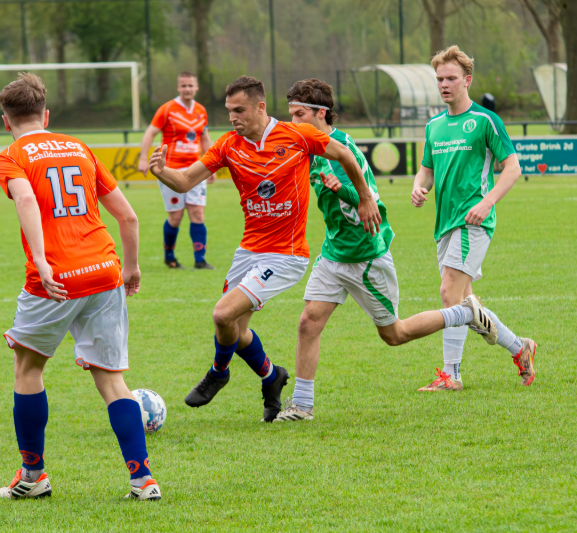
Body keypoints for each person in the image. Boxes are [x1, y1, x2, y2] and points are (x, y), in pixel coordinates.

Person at [274, 79, 509, 422]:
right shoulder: (309, 148)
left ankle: (464, 313)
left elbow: (368, 204)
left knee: (393, 335)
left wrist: (344, 191)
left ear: (321, 113)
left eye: (300, 115)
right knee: (308, 322)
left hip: (364, 255)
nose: (293, 122)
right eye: (290, 115)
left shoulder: (341, 149)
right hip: (334, 252)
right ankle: (302, 407)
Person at [149, 75, 382, 422]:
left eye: (239, 110)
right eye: (229, 111)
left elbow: (344, 153)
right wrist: (161, 171)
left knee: (222, 314)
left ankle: (218, 372)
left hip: (286, 255)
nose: (232, 118)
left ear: (260, 107)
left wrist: (364, 196)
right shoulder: (229, 145)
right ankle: (272, 378)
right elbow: (185, 181)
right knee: (236, 332)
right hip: (249, 250)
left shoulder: (297, 135)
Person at [0, 73, 160, 501]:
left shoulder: (11, 155)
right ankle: (143, 480)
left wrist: (45, 262)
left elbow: (27, 200)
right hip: (105, 269)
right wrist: (133, 268)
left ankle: (34, 477)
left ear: (7, 121)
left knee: (28, 370)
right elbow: (129, 217)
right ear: (46, 115)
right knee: (112, 380)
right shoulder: (80, 148)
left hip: (57, 280)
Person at [412, 46, 535, 391]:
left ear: (467, 80)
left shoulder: (484, 121)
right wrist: (418, 187)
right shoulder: (434, 126)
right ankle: (519, 347)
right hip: (445, 224)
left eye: (451, 78)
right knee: (467, 304)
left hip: (473, 221)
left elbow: (513, 167)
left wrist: (488, 202)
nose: (444, 84)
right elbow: (426, 171)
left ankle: (451, 375)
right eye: (439, 79)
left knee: (448, 294)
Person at [138, 71, 216, 269]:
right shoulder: (167, 109)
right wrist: (143, 158)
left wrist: (212, 165)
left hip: (196, 168)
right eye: (184, 86)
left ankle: (200, 260)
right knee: (176, 216)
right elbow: (150, 133)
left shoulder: (201, 110)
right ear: (178, 87)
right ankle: (169, 256)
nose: (187, 89)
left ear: (196, 87)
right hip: (170, 169)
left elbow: (205, 138)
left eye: (190, 85)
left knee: (198, 213)